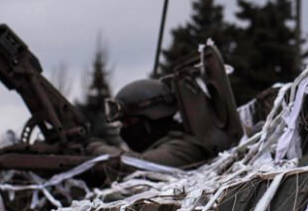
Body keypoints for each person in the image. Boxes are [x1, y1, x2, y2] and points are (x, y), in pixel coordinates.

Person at [87, 44, 244, 168]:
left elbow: (138, 165)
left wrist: (92, 147)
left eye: (129, 123)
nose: (124, 130)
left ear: (153, 117)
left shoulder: (185, 147)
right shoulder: (159, 148)